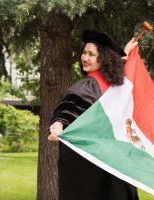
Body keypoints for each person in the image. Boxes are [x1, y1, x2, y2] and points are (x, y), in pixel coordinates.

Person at [48, 29, 138, 200]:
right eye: (84, 53)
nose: (85, 58)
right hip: (111, 163)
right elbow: (67, 111)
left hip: (93, 168)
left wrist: (125, 53)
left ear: (103, 58)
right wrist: (58, 125)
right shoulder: (117, 84)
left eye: (91, 54)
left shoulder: (91, 85)